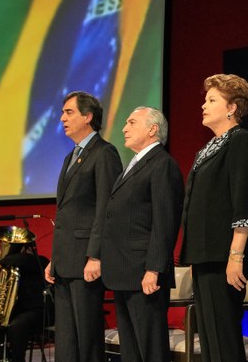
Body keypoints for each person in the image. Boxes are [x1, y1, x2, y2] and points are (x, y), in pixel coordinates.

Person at [179, 74, 248, 362]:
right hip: (203, 254)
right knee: (209, 337)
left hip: (223, 255)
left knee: (223, 334)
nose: (203, 105)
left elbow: (242, 200)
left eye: (212, 100)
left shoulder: (240, 141)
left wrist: (236, 254)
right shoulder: (208, 147)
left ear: (232, 107)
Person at [44, 90, 122, 362]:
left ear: (88, 117)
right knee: (65, 341)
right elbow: (67, 213)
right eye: (63, 113)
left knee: (86, 339)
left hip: (87, 261)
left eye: (69, 113)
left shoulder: (104, 153)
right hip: (65, 262)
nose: (62, 118)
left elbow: (106, 209)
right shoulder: (70, 157)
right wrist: (55, 258)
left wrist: (96, 255)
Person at [101, 106, 183, 362]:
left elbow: (165, 221)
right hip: (124, 272)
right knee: (131, 351)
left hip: (144, 273)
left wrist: (154, 269)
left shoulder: (161, 164)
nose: (124, 128)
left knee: (150, 349)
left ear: (152, 129)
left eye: (131, 122)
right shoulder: (134, 164)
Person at [0, 243, 49, 362]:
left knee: (16, 326)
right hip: (17, 309)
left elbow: (22, 259)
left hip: (36, 310)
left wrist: (2, 261)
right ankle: (2, 358)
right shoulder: (11, 265)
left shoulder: (39, 261)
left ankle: (18, 360)